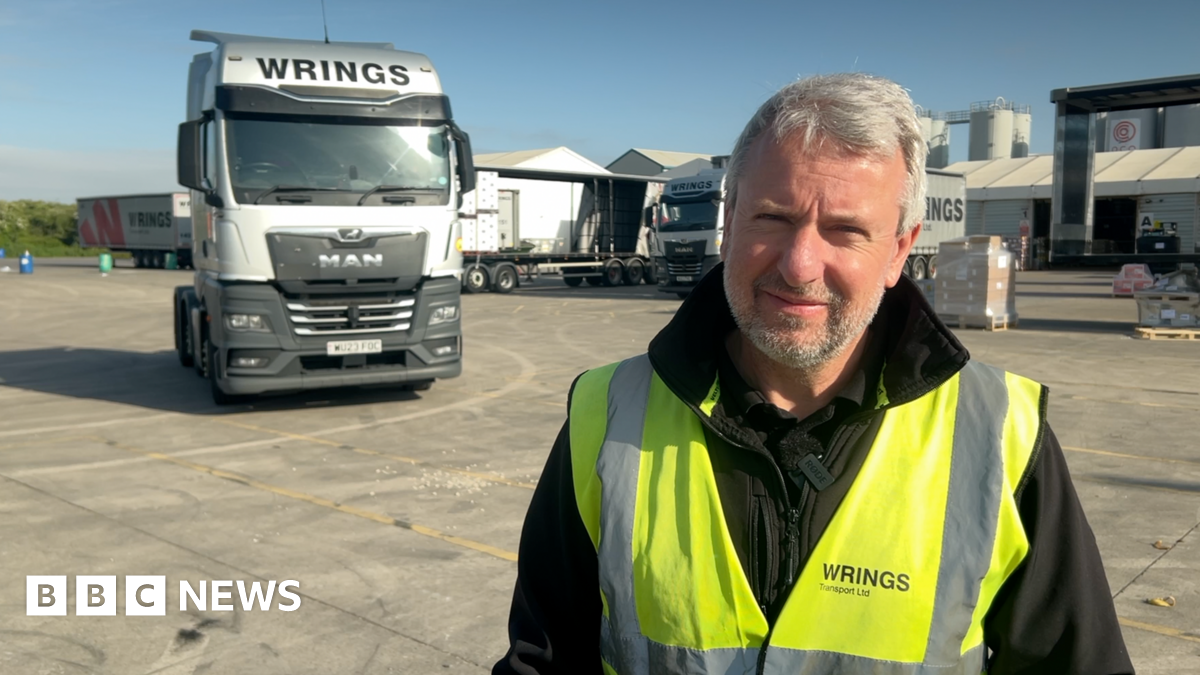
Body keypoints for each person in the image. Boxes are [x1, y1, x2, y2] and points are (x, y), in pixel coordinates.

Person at [494, 73, 1134, 675]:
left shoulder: (1001, 433)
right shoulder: (606, 414)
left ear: (899, 251)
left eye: (845, 230)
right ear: (729, 223)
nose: (799, 265)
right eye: (773, 218)